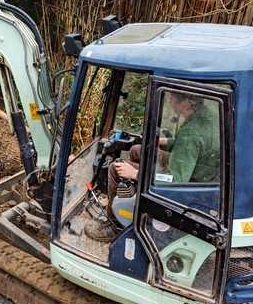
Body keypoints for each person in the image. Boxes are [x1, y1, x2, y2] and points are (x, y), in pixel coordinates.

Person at [87, 91, 219, 240]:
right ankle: (136, 199)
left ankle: (115, 225)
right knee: (137, 150)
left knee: (115, 169)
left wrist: (136, 174)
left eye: (172, 98)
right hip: (197, 168)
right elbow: (188, 145)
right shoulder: (203, 116)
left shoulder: (190, 134)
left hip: (189, 183)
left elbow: (175, 181)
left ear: (186, 103)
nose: (169, 100)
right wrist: (162, 142)